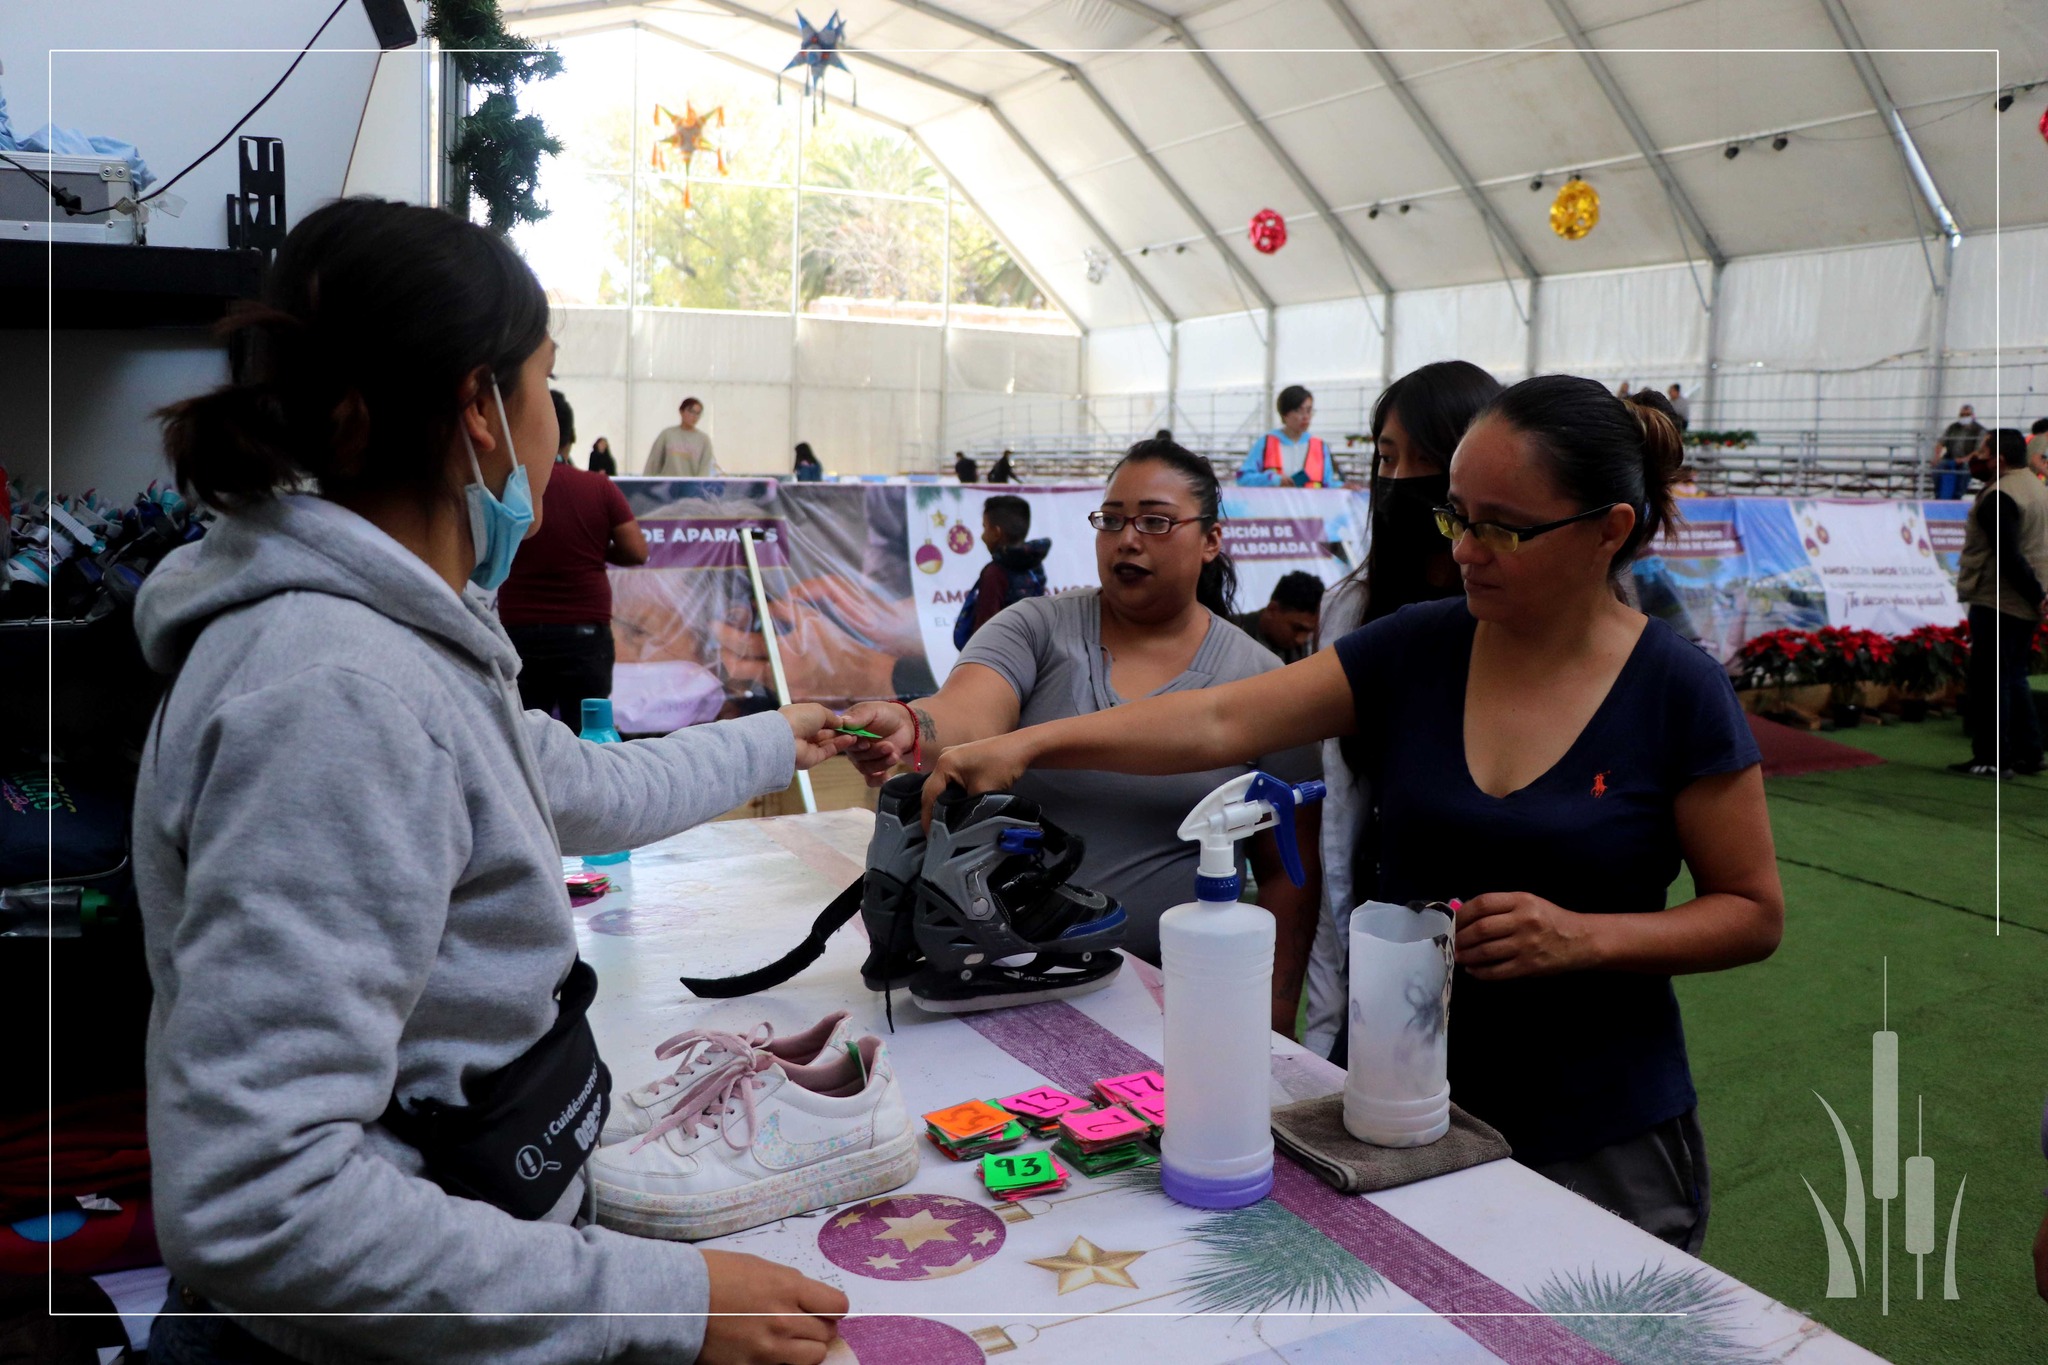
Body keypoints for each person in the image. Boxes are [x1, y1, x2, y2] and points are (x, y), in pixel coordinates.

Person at [136, 198, 852, 1365]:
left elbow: (573, 785)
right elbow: (261, 1204)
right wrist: (657, 1303)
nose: (550, 442)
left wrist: (785, 737)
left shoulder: (402, 641)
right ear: (477, 408)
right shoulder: (332, 691)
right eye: (542, 391)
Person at [919, 376, 1785, 1253]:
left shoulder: (1678, 690)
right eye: (1457, 515)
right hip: (1400, 1106)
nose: (1466, 550)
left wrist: (1587, 938)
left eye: (1503, 527)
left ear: (1610, 529)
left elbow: (1752, 914)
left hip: (1602, 1129)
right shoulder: (1419, 647)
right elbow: (1225, 717)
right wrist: (1029, 745)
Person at [839, 440, 1321, 1014]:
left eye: (1155, 521)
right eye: (1111, 520)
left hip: (1174, 999)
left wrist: (1272, 1014)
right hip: (997, 981)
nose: (1128, 539)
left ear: (1212, 540)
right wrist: (910, 722)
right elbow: (970, 712)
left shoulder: (1262, 684)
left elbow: (1289, 876)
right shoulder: (1036, 628)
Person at [1304, 359, 1502, 1058]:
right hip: (1382, 939)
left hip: (1499, 954)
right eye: (1388, 457)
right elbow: (1227, 722)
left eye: (1430, 459)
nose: (1402, 481)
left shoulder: (1531, 618)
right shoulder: (1352, 610)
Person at [498, 390, 650, 730]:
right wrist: (595, 549)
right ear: (572, 437)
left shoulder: (509, 489)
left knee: (523, 743)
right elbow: (637, 551)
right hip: (584, 635)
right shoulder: (598, 487)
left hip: (519, 633)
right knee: (588, 740)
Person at [1949, 428, 2048, 779]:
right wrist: (2040, 597)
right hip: (2026, 600)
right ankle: (2029, 752)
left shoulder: (2000, 496)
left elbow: (2008, 556)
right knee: (2014, 676)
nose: (1977, 457)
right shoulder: (2035, 485)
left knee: (1992, 680)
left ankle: (1993, 757)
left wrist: (2036, 595)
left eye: (1983, 451)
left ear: (1999, 459)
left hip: (2000, 599)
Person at [953, 493, 1049, 648]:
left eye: (985, 528)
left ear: (996, 532)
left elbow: (984, 630)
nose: (982, 536)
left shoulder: (995, 573)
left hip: (995, 660)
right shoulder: (1035, 565)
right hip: (1025, 653)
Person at [1238, 385, 1330, 488]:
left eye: (1309, 411)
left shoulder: (1320, 446)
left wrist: (1343, 487)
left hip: (1309, 504)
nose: (1306, 417)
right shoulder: (1266, 442)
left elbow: (1328, 483)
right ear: (1285, 414)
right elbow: (1243, 478)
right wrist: (1272, 479)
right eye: (1298, 411)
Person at [1228, 570, 1324, 664]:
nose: (1301, 640)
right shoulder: (1228, 632)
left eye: (1311, 632)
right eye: (1297, 628)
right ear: (1272, 610)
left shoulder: (1308, 649)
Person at [645, 396, 717, 476]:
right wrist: (646, 484)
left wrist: (698, 486)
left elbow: (705, 468)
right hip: (667, 486)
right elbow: (653, 462)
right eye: (691, 411)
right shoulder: (667, 434)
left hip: (691, 487)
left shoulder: (704, 439)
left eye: (698, 413)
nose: (694, 416)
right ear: (681, 411)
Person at [1933, 404, 1984, 500]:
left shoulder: (1979, 430)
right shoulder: (1953, 427)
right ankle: (1938, 495)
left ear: (1973, 415)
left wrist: (1963, 459)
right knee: (1938, 467)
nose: (1964, 417)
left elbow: (1979, 450)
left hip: (1970, 460)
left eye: (1967, 415)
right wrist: (1937, 456)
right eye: (1962, 415)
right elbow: (1940, 443)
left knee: (1965, 469)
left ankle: (1957, 495)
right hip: (1951, 457)